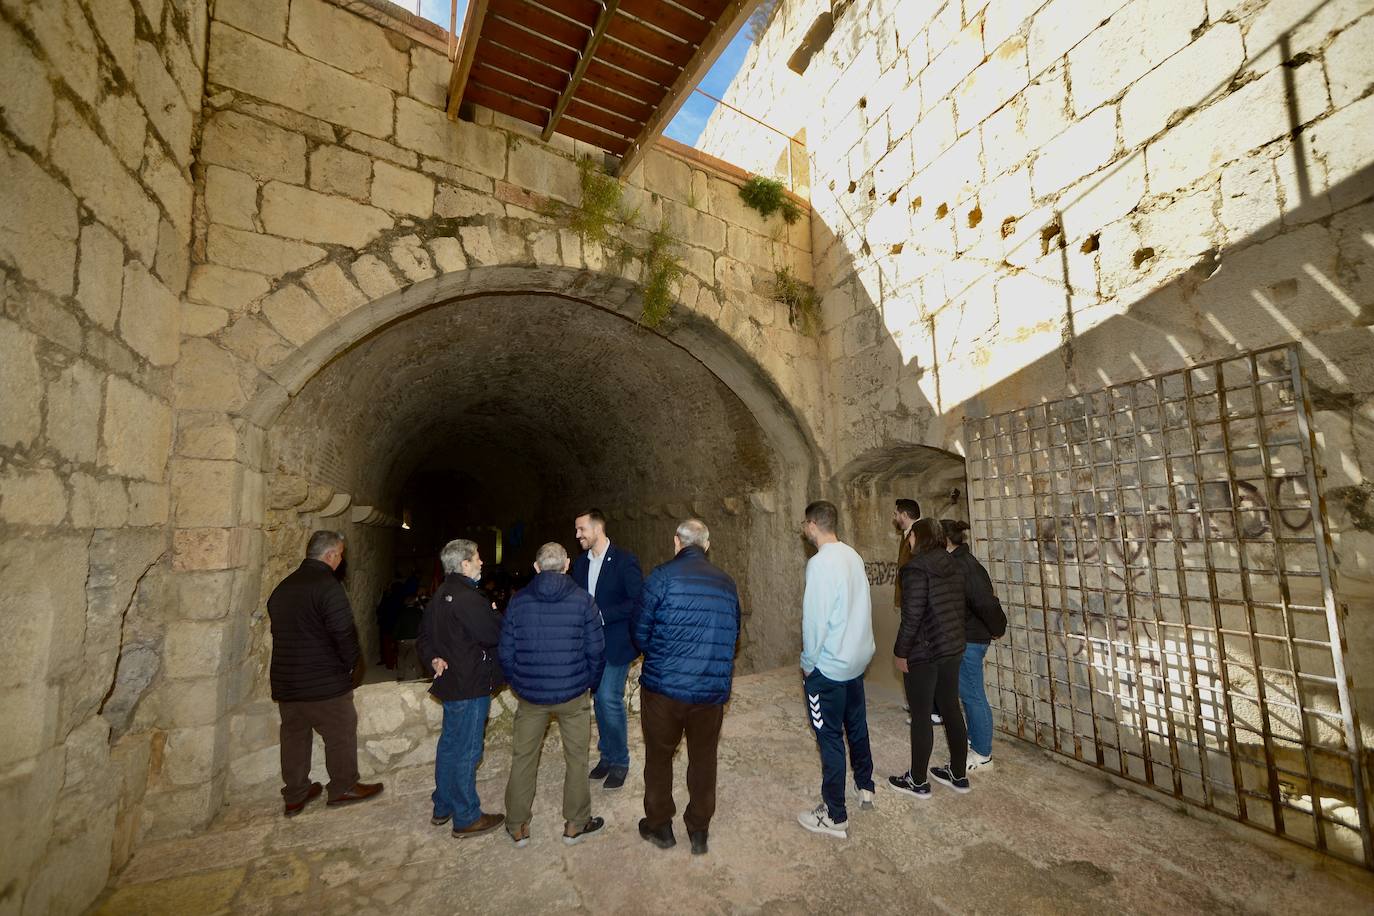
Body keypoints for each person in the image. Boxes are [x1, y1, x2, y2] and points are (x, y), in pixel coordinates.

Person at [633, 519, 740, 856]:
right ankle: (699, 830)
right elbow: (734, 636)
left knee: (659, 758)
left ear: (676, 541)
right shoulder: (726, 583)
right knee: (704, 759)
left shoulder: (661, 577)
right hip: (708, 693)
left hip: (664, 690)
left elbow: (639, 633)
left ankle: (660, 826)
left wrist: (662, 656)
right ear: (706, 545)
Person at [266, 531, 383, 817]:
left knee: (294, 736)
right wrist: (350, 665)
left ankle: (295, 793)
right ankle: (343, 786)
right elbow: (343, 632)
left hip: (287, 682)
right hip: (322, 681)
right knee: (341, 730)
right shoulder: (327, 586)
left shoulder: (283, 587)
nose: (341, 559)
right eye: (340, 554)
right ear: (330, 555)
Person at [499, 542, 608, 847]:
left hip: (531, 696)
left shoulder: (518, 602)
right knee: (576, 758)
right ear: (567, 565)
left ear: (536, 567)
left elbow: (505, 652)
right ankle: (575, 823)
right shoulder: (583, 601)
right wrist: (589, 682)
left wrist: (518, 683)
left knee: (523, 757)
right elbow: (597, 651)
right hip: (573, 695)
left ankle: (517, 825)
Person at [795, 500, 877, 840]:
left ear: (812, 524)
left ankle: (834, 814)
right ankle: (865, 785)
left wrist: (808, 663)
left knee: (828, 735)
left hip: (829, 667)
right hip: (856, 661)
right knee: (855, 725)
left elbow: (815, 621)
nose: (803, 529)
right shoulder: (852, 555)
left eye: (804, 524)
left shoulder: (820, 564)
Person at [418, 539, 506, 838]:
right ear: (464, 564)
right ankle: (466, 816)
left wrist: (433, 658)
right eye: (478, 558)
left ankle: (443, 805)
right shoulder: (469, 598)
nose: (482, 562)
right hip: (469, 685)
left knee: (450, 746)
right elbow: (494, 633)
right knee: (468, 750)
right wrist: (494, 610)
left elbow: (424, 637)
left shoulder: (440, 595)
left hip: (452, 683)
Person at [889, 518, 970, 800]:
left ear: (920, 537)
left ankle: (918, 781)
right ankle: (958, 774)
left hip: (924, 651)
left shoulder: (914, 569)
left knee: (921, 715)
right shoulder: (953, 564)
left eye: (910, 536)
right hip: (952, 647)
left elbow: (912, 618)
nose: (908, 541)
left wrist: (901, 652)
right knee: (950, 708)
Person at [570, 509, 643, 791]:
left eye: (581, 529)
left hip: (615, 642)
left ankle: (621, 760)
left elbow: (637, 600)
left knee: (608, 698)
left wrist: (601, 615)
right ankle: (607, 756)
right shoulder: (580, 564)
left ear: (597, 528)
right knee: (599, 700)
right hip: (589, 645)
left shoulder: (625, 560)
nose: (577, 535)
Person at [941, 519, 1006, 772]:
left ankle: (982, 754)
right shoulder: (958, 564)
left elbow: (985, 603)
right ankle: (976, 742)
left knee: (973, 696)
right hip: (966, 638)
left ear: (945, 541)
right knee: (969, 695)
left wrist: (998, 628)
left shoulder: (964, 567)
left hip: (970, 640)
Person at [891, 498, 933, 726]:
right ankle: (917, 702)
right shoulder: (908, 534)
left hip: (916, 607)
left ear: (904, 514)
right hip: (911, 604)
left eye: (896, 513)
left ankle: (927, 708)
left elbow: (913, 574)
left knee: (915, 657)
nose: (894, 517)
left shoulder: (918, 537)